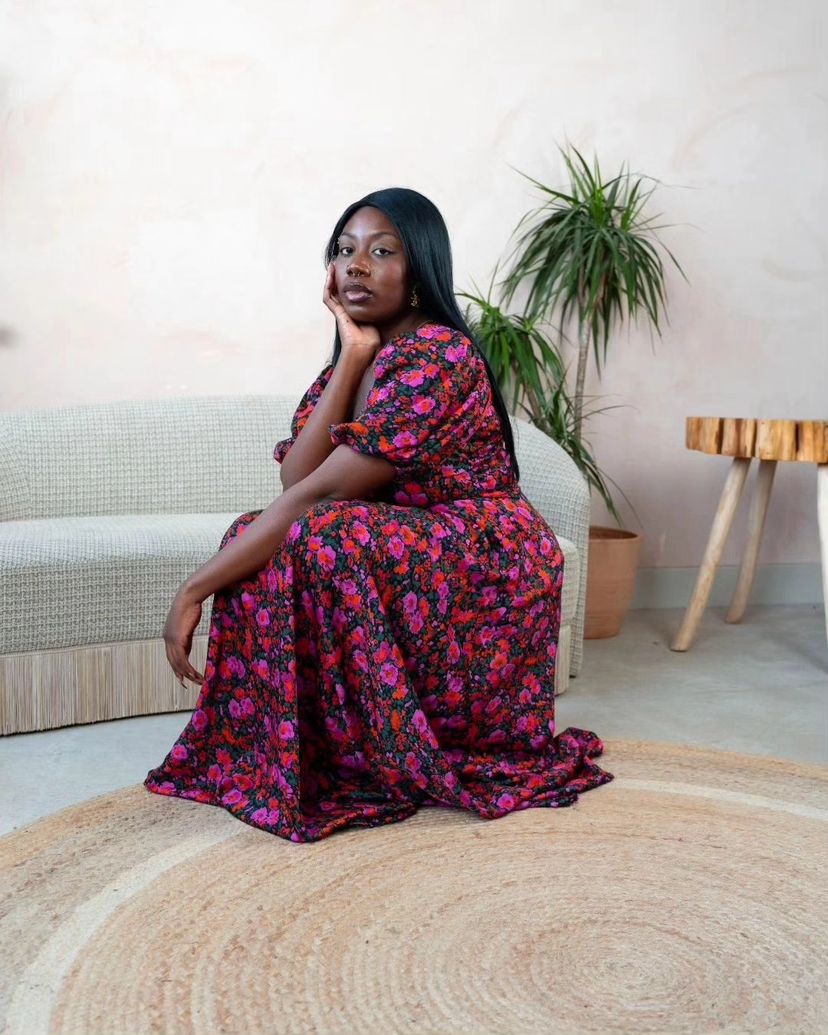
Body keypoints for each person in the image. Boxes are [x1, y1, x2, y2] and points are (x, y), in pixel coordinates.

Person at [144, 187, 614, 842]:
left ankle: (378, 751)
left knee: (319, 531)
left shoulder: (440, 357)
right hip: (401, 539)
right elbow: (295, 477)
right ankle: (308, 751)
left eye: (382, 250)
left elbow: (317, 498)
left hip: (485, 551)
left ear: (418, 271)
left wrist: (195, 586)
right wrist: (354, 356)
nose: (356, 264)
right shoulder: (355, 360)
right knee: (255, 533)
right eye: (344, 250)